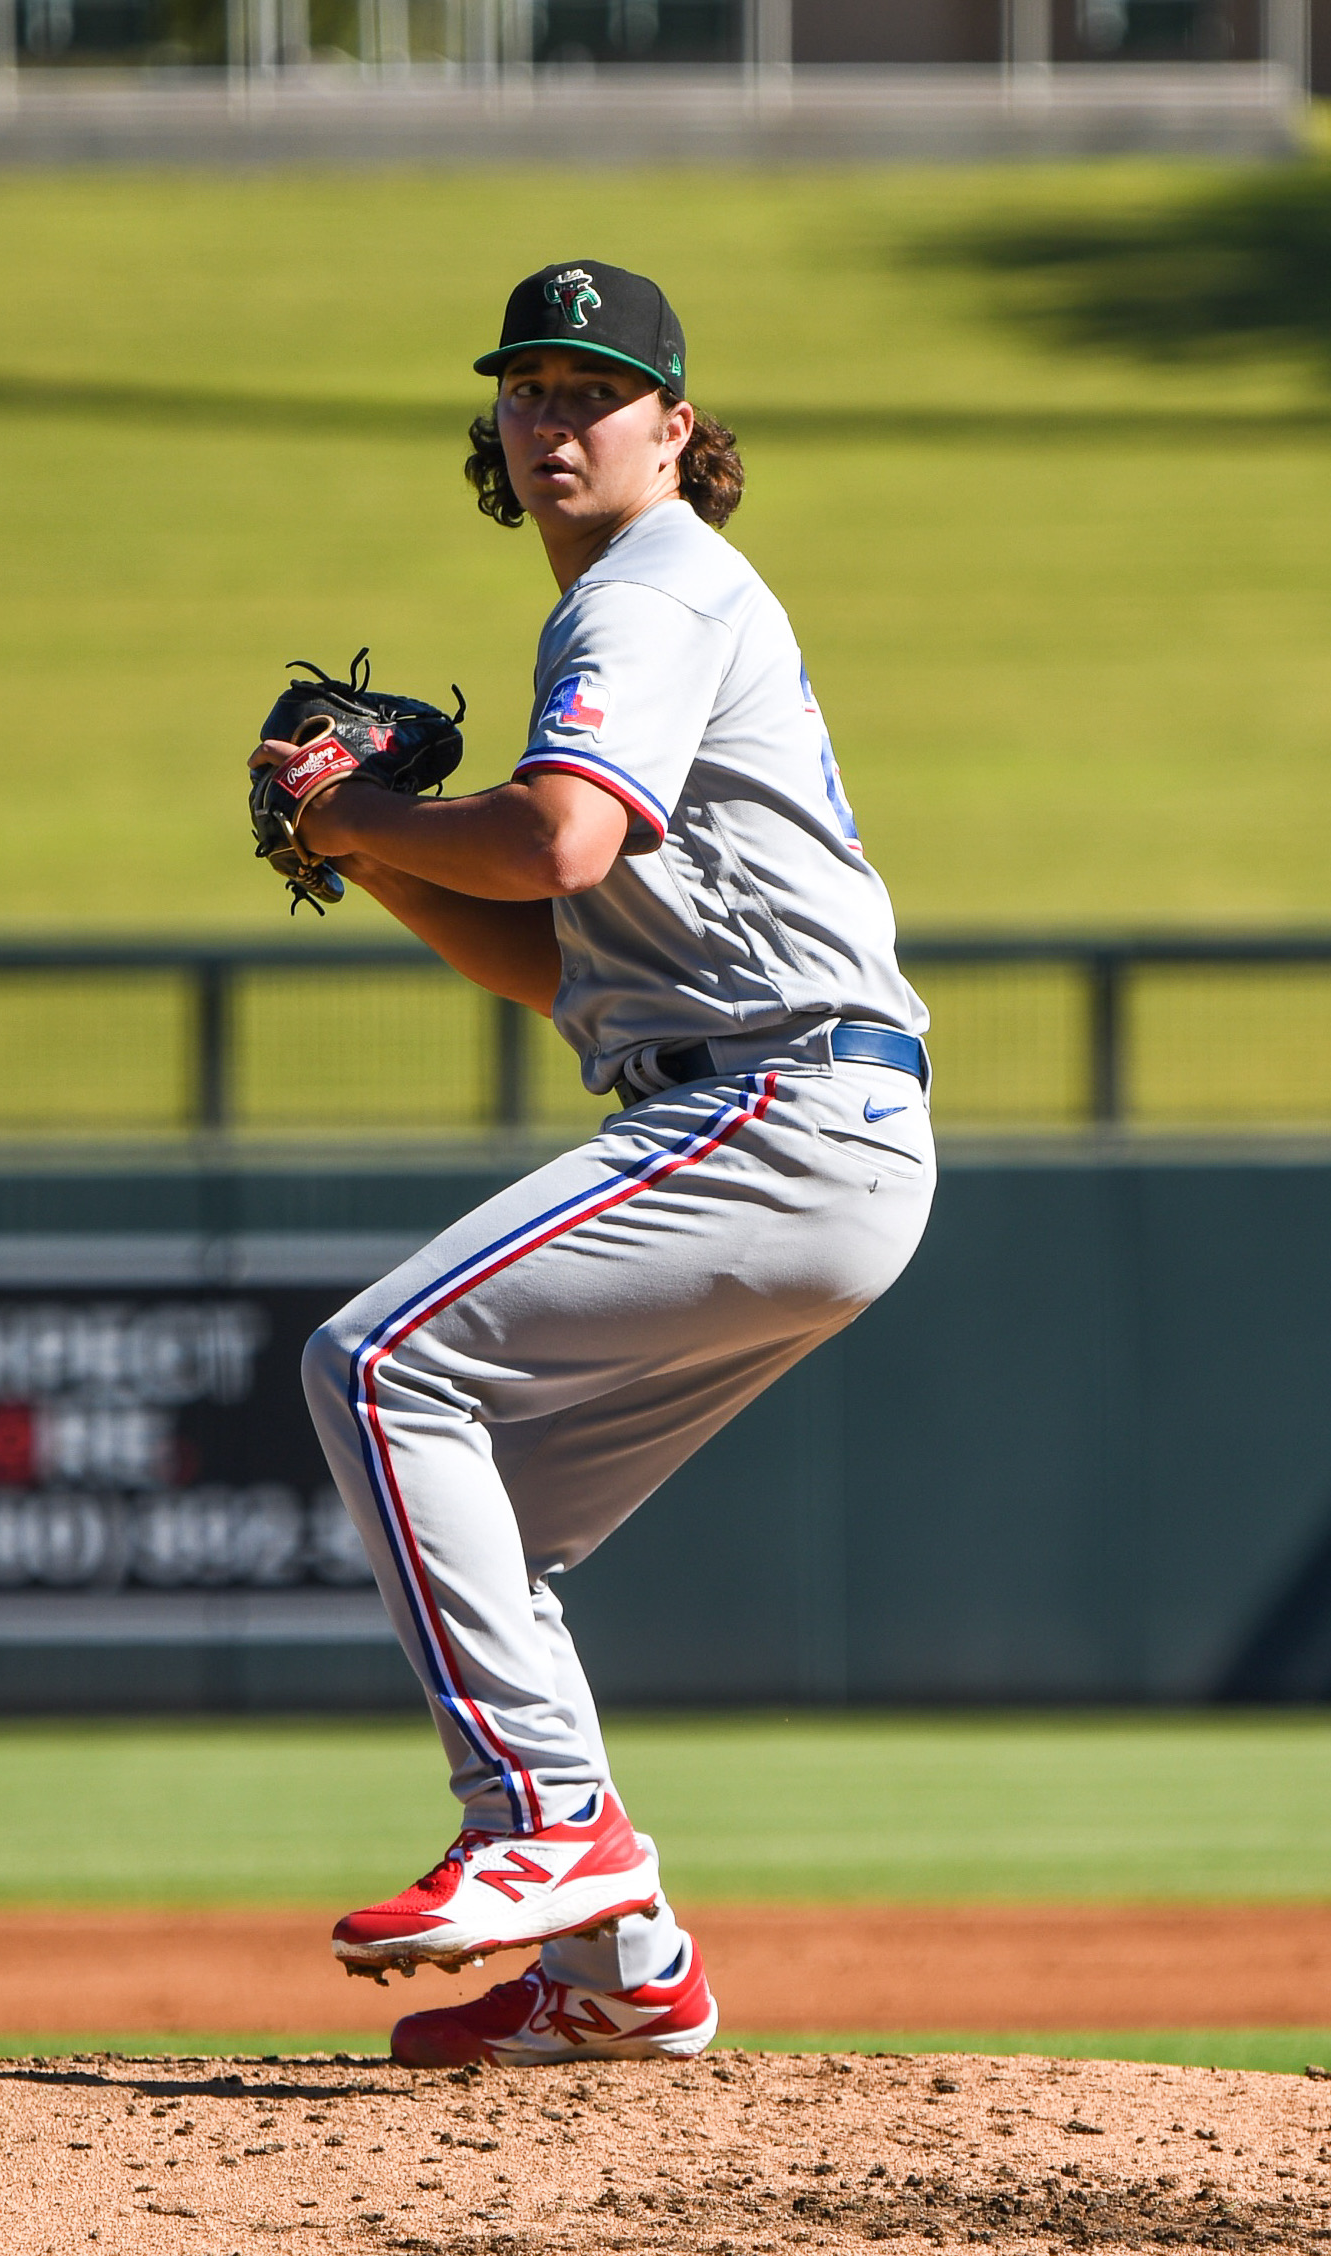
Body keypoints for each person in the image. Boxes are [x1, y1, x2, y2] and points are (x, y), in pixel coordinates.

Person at [260, 261, 935, 2067]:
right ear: (494, 428)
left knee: (379, 1365)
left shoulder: (648, 591)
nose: (557, 417)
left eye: (597, 388)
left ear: (677, 429)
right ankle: (627, 1974)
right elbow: (555, 961)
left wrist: (354, 810)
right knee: (492, 1537)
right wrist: (385, 856)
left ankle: (545, 1833)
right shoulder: (645, 606)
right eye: (529, 389)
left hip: (777, 1110)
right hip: (795, 1119)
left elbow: (557, 835)